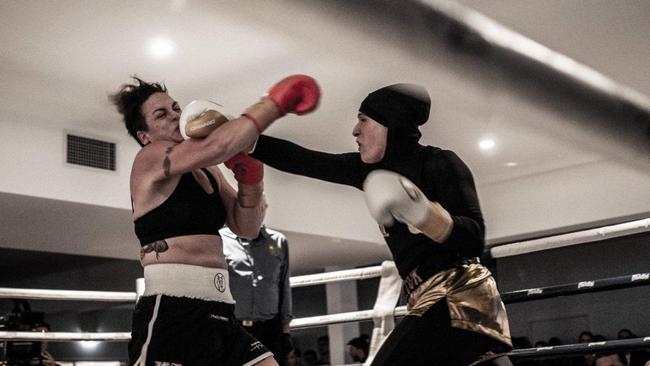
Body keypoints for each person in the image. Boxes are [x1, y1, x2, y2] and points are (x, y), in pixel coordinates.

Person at [250, 83, 512, 365]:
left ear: (392, 125)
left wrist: (424, 213)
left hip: (459, 296)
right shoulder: (368, 171)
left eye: (364, 120)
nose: (355, 130)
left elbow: (474, 237)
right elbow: (304, 160)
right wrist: (239, 136)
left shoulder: (438, 162)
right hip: (430, 299)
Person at [111, 74, 320, 366]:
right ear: (144, 135)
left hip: (220, 307)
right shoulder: (150, 158)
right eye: (161, 114)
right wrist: (272, 104)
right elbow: (216, 146)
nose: (175, 115)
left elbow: (246, 227)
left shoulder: (209, 171)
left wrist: (252, 179)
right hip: (173, 310)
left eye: (175, 108)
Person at [220, 223, 293, 366]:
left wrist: (286, 332)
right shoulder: (219, 239)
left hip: (270, 328)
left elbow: (284, 285)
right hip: (234, 328)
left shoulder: (279, 241)